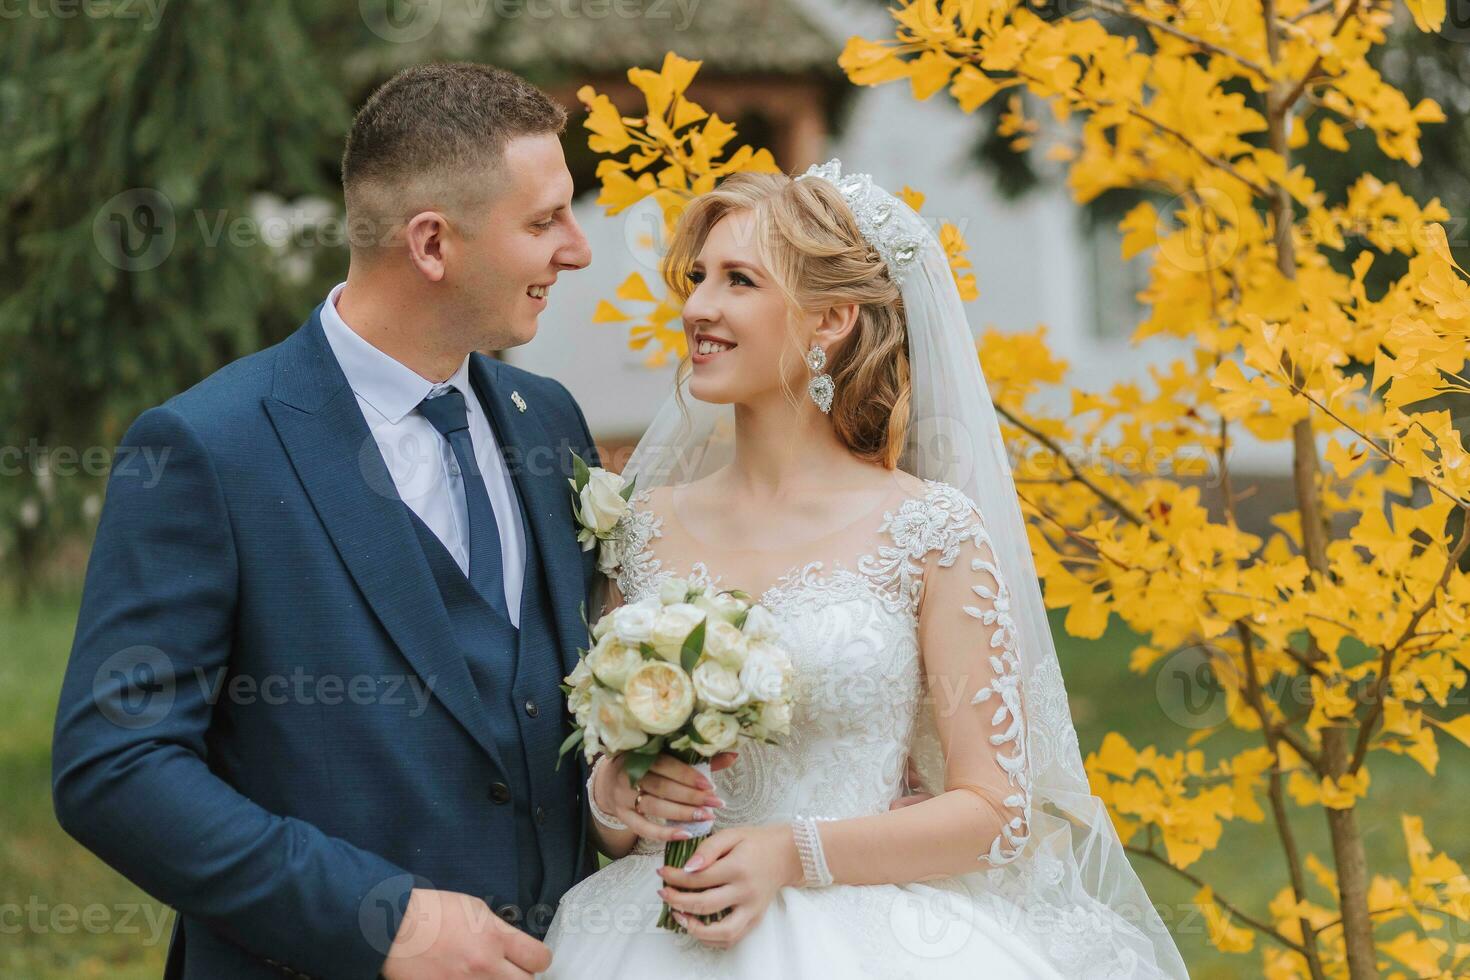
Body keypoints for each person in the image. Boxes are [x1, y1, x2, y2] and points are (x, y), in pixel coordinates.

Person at [50, 62, 715, 980]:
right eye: (542, 221)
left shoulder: (549, 420)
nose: (577, 248)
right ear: (432, 244)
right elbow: (114, 772)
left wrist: (607, 800)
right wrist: (383, 921)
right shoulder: (210, 448)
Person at [542, 163, 1190, 978]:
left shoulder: (929, 529)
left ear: (833, 319)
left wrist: (793, 854)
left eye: (739, 280)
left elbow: (995, 811)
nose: (698, 307)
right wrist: (617, 797)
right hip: (650, 933)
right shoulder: (641, 526)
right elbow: (610, 808)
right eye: (698, 277)